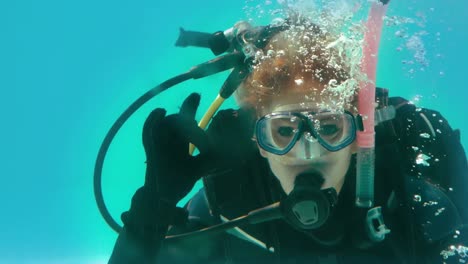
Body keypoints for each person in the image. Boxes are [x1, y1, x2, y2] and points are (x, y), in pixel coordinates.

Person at [107, 16, 468, 264]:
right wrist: (151, 212)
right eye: (283, 131)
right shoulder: (230, 202)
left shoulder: (409, 204)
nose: (307, 150)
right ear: (259, 143)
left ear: (359, 137)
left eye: (329, 128)